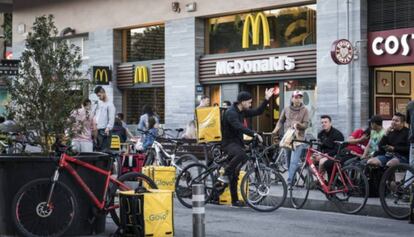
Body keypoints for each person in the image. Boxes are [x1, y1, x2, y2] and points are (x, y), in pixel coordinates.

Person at [219, 88, 274, 207]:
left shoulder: (242, 111)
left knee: (235, 173)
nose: (250, 104)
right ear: (242, 102)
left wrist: (266, 99)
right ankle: (225, 173)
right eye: (249, 102)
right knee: (241, 155)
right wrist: (254, 134)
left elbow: (258, 111)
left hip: (237, 143)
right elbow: (239, 127)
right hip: (228, 143)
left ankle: (233, 200)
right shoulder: (231, 112)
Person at [272, 90, 310, 185]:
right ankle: (292, 180)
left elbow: (306, 125)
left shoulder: (305, 110)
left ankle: (289, 182)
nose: (298, 99)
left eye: (300, 97)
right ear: (292, 98)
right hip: (287, 139)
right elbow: (281, 121)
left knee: (294, 161)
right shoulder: (286, 109)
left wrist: (298, 125)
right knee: (288, 162)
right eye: (296, 97)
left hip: (298, 139)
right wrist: (275, 130)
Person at [93, 86, 116, 152]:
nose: (99, 98)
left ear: (103, 92)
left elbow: (111, 119)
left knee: (104, 152)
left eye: (99, 95)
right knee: (97, 151)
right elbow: (96, 116)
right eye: (98, 96)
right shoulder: (99, 104)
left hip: (105, 131)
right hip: (97, 130)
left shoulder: (110, 105)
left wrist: (108, 128)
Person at [406, 101, 414, 186]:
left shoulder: (410, 104)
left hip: (412, 139)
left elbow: (408, 122)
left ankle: (406, 187)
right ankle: (407, 188)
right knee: (412, 165)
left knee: (411, 165)